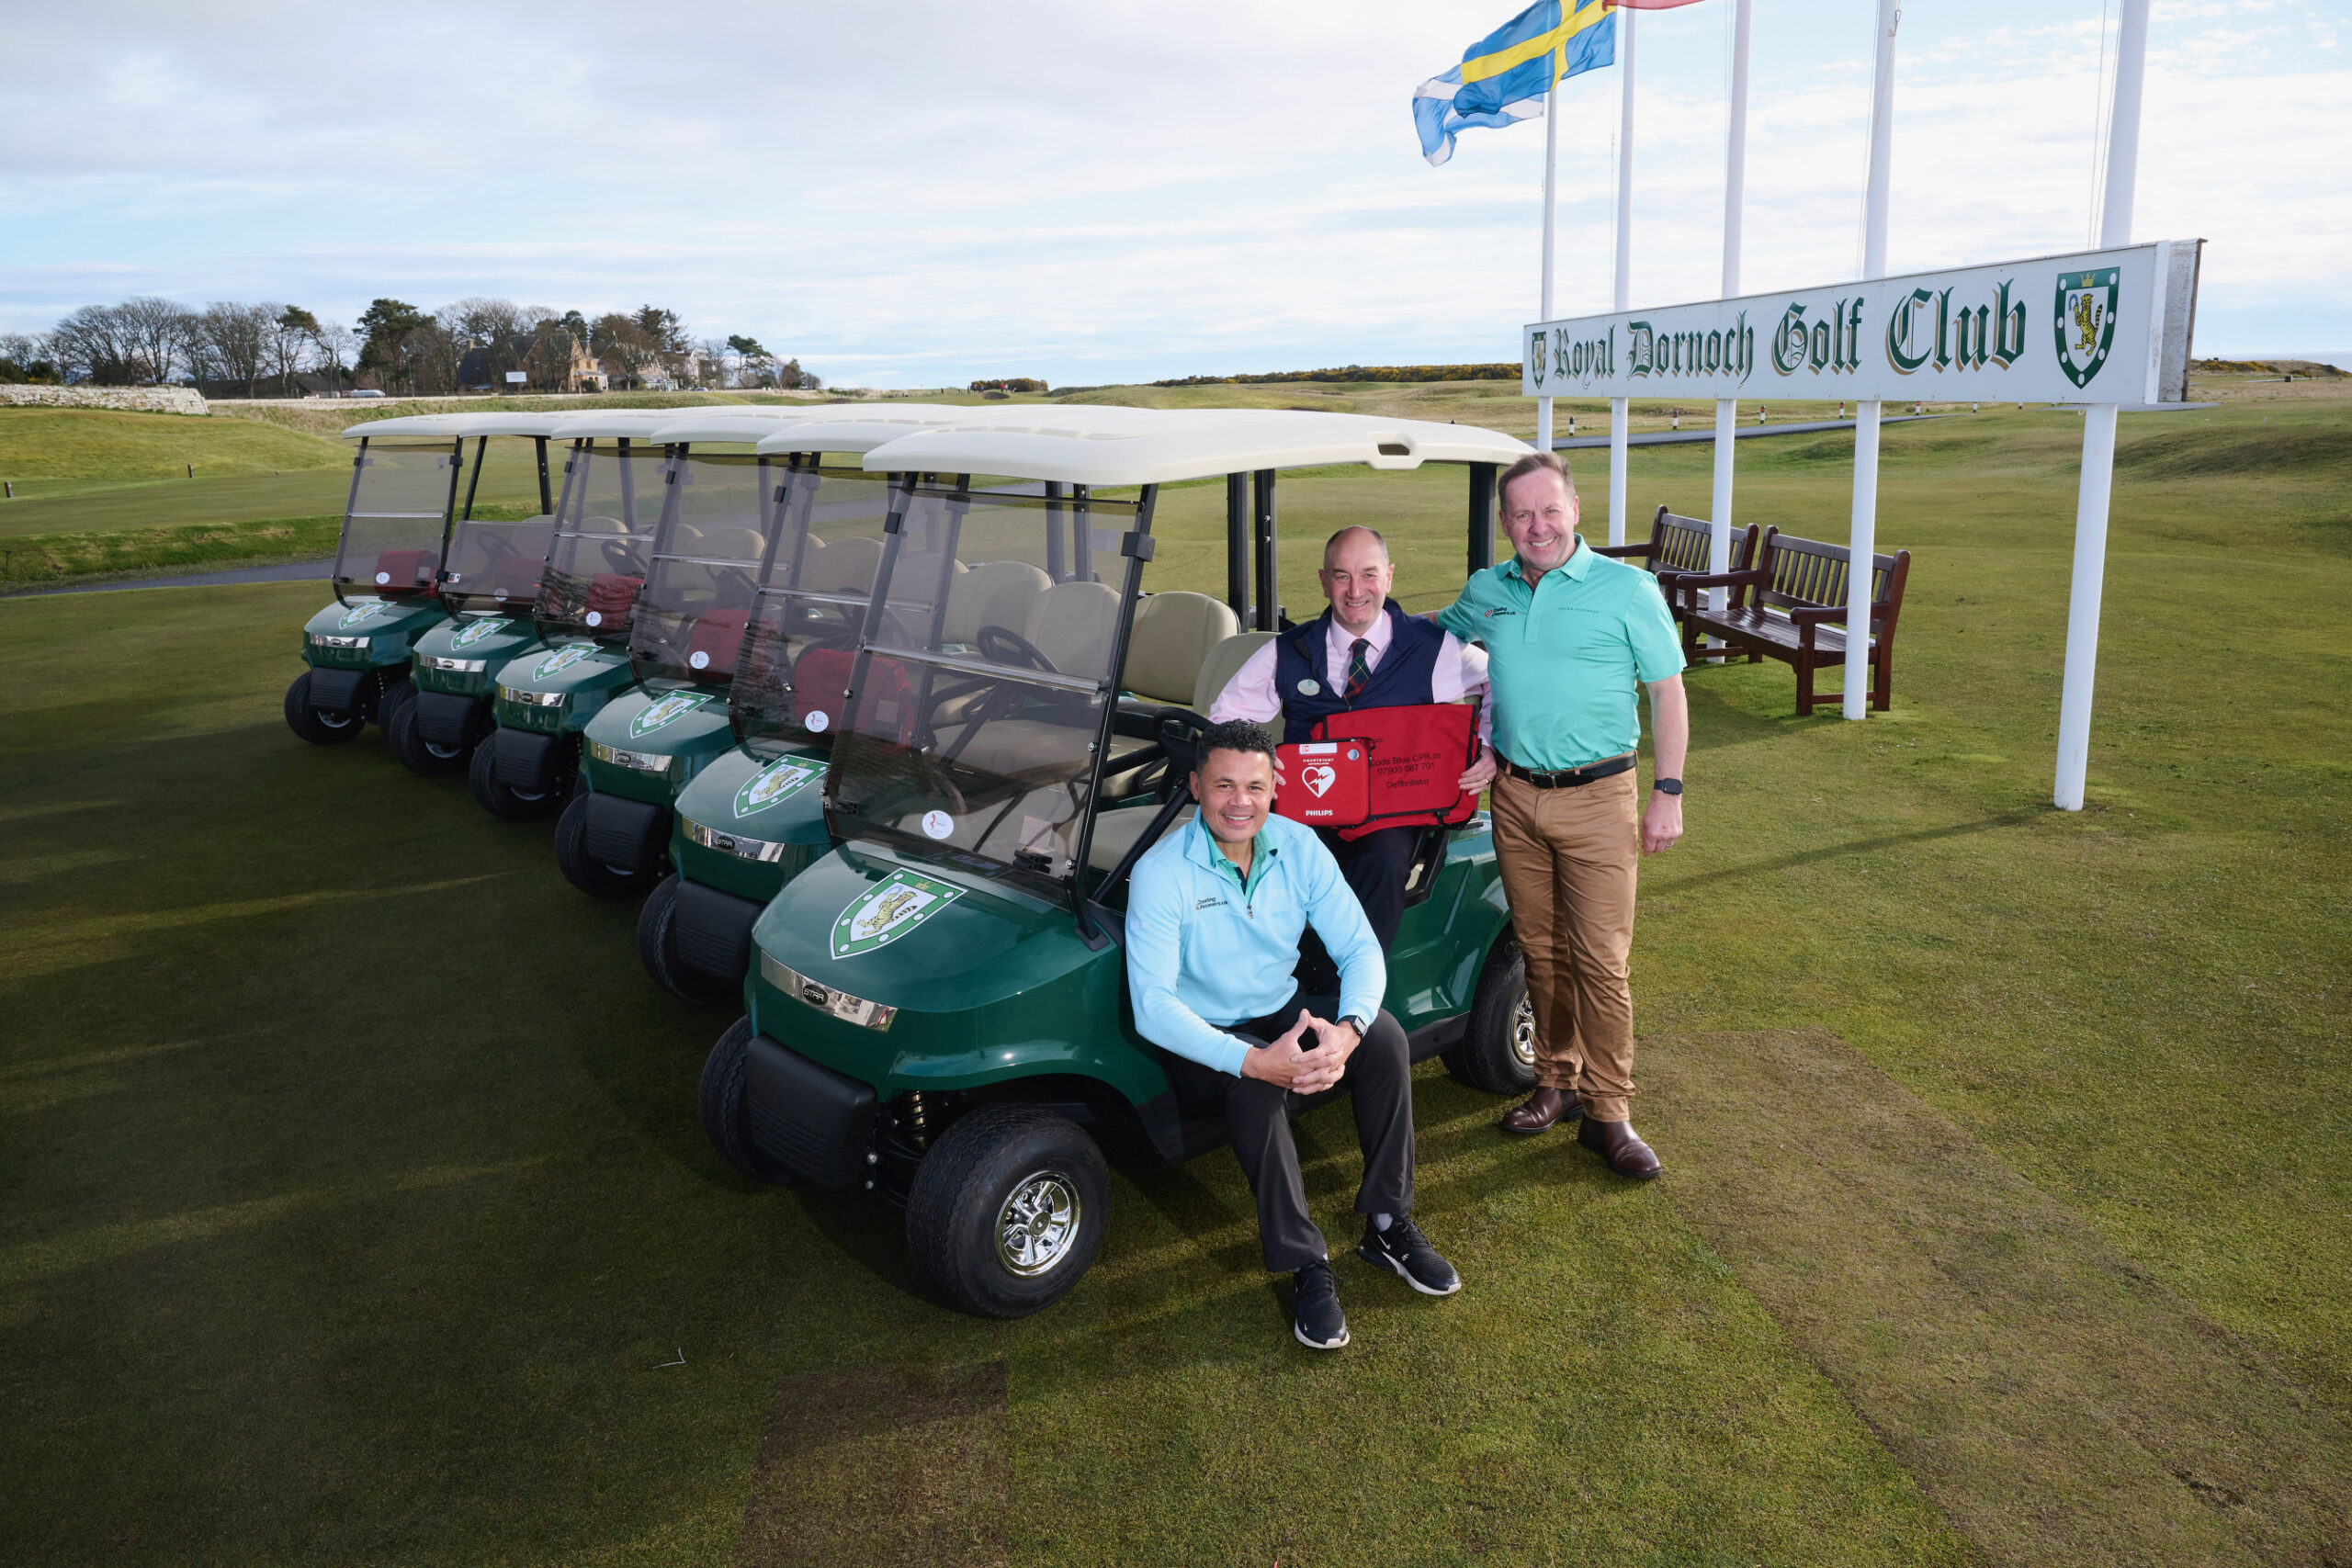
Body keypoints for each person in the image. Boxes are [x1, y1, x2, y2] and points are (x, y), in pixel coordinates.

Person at [1125, 719, 1459, 1351]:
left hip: (1281, 1009)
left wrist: (1348, 1031)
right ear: (1196, 786)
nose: (1239, 801)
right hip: (1205, 1037)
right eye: (1223, 784)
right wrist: (1253, 1061)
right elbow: (1153, 1006)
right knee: (1254, 1093)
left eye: (1254, 785)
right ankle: (1308, 1262)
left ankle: (1387, 1223)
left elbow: (1360, 948)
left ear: (1276, 786)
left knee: (1385, 1036)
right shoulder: (1160, 872)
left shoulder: (1299, 845)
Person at [1434, 450, 1687, 1179]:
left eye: (1550, 510)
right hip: (1513, 797)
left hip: (1600, 797)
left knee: (1602, 963)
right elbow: (1436, 637)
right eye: (1521, 514)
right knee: (1541, 953)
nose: (1536, 526)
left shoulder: (1627, 590)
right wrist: (1357, 620)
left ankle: (1609, 1112)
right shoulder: (1490, 588)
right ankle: (1556, 1079)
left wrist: (1666, 791)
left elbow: (1668, 693)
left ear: (1575, 510)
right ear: (1505, 522)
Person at [1208, 525, 1498, 958]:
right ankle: (1269, 987)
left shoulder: (1431, 648)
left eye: (1368, 574)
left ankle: (1353, 1000)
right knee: (1262, 855)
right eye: (1341, 576)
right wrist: (1260, 758)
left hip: (1392, 810)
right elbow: (1224, 716)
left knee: (1381, 860)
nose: (1355, 590)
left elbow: (1499, 683)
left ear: (1389, 577)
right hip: (1309, 806)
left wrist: (1490, 748)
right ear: (1324, 581)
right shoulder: (1289, 650)